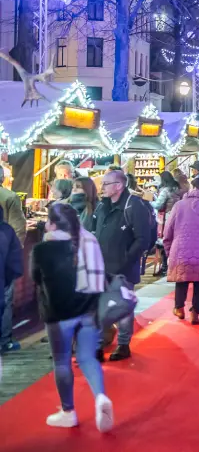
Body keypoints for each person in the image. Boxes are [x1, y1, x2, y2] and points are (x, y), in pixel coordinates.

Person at [31, 204, 113, 432]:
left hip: (59, 315)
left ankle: (68, 412)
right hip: (89, 310)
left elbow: (35, 278)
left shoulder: (42, 250)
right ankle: (100, 397)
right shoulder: (89, 240)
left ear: (52, 224)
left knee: (62, 361)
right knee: (87, 358)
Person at [92, 169, 153, 361]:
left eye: (106, 183)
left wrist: (126, 259)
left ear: (118, 186)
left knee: (123, 307)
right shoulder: (102, 205)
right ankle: (99, 344)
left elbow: (143, 239)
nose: (102, 187)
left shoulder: (134, 206)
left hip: (123, 268)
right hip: (100, 267)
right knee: (99, 306)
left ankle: (123, 344)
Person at [163, 176, 199, 326]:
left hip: (181, 250)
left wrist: (168, 250)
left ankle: (179, 307)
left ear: (193, 187)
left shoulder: (179, 205)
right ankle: (195, 312)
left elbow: (168, 230)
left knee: (181, 280)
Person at [0, 167, 26, 355]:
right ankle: (5, 340)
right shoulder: (9, 196)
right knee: (5, 300)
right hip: (4, 257)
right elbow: (19, 229)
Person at [0, 208, 23, 365]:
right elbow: (14, 255)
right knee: (5, 306)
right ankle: (5, 341)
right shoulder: (7, 230)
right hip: (4, 279)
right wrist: (10, 277)